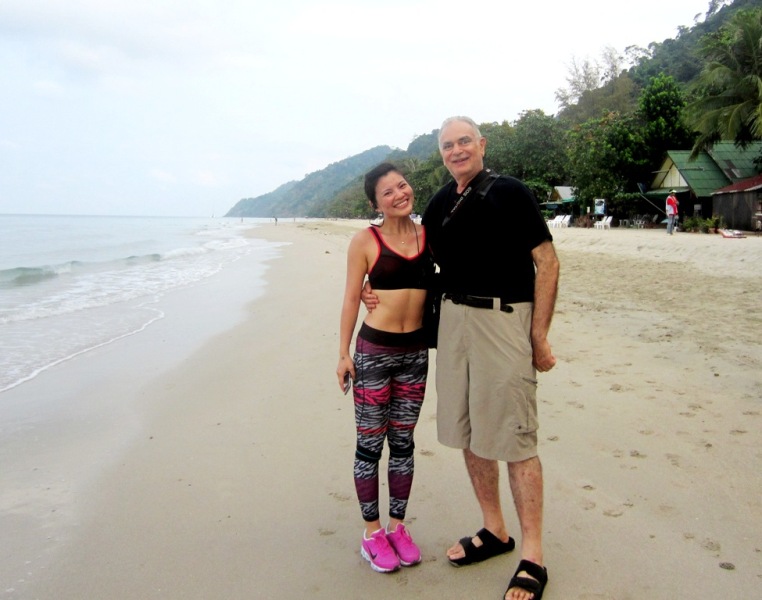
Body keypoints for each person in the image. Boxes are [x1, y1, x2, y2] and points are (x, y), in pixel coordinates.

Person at [363, 116, 559, 600]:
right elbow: (415, 259)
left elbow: (548, 262)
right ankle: (495, 529)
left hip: (503, 321)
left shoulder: (511, 192)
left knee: (514, 436)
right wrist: (374, 287)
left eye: (464, 141)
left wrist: (539, 336)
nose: (456, 151)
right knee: (469, 431)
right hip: (452, 326)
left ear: (482, 144)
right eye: (448, 145)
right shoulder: (438, 203)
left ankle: (532, 554)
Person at [336, 162, 433, 574]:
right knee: (370, 445)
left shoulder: (430, 235)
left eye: (403, 185)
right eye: (387, 192)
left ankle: (398, 526)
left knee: (404, 443)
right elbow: (350, 299)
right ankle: (371, 533)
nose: (399, 194)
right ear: (375, 203)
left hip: (415, 355)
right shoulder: (365, 241)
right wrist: (343, 354)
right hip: (375, 353)